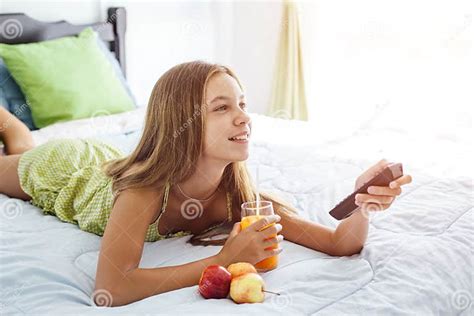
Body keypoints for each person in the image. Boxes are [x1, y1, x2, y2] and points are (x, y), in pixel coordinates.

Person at [0, 61, 412, 306]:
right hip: (69, 169)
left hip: (110, 160)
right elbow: (112, 287)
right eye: (222, 108)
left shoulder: (233, 194)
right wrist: (224, 257)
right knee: (18, 154)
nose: (244, 117)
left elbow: (341, 243)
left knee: (18, 144)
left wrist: (363, 205)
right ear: (181, 125)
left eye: (243, 105)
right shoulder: (145, 191)